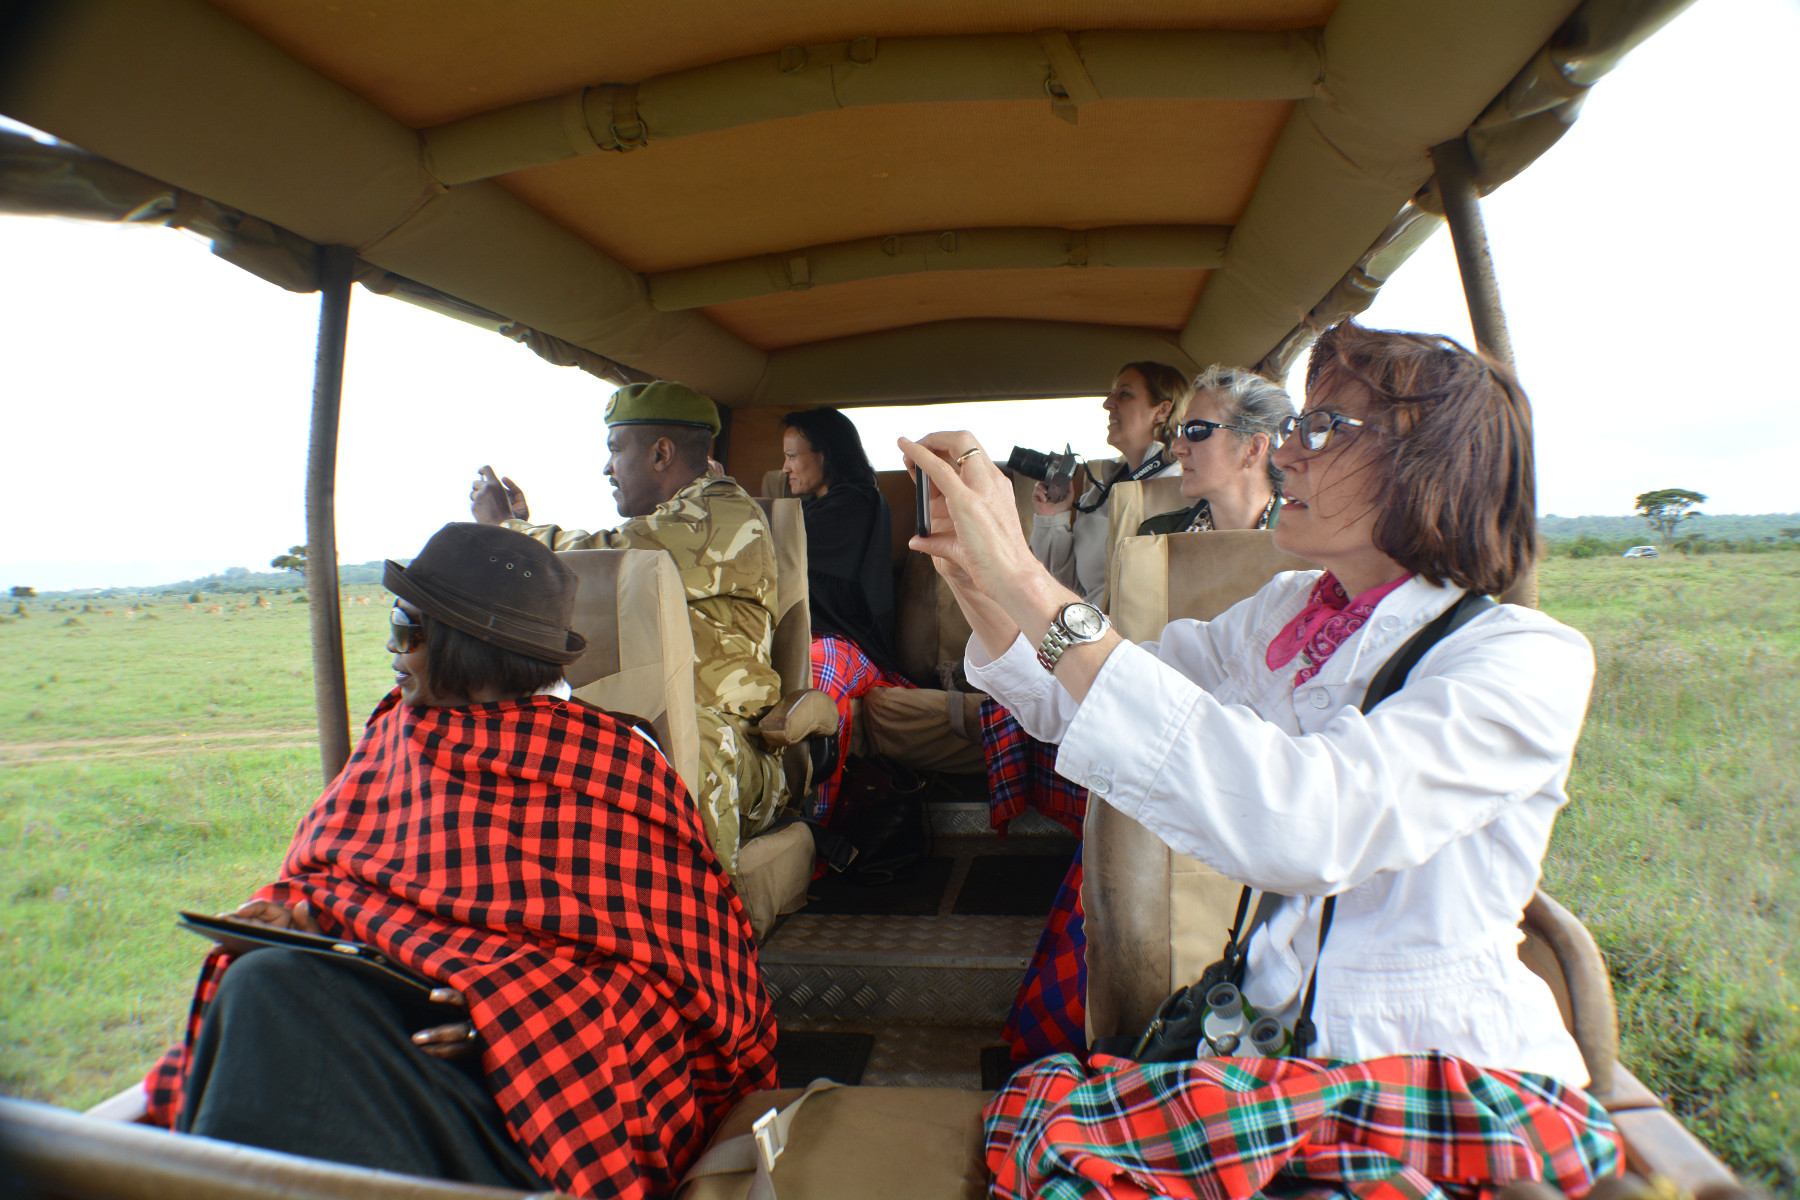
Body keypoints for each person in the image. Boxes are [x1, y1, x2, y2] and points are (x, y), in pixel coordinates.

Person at [901, 322, 1621, 1199]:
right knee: (1036, 1125)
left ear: (1430, 466)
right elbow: (1082, 695)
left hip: (1429, 1071)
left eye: (1324, 430)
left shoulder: (1521, 659)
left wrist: (1021, 563)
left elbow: (1307, 823)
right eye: (1295, 427)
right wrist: (977, 576)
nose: (1287, 454)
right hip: (1272, 1058)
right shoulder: (1289, 614)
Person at [143, 523, 777, 1200]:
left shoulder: (614, 764)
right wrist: (297, 913)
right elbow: (336, 875)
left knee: (268, 998)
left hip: (532, 1084)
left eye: (407, 629)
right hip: (393, 1014)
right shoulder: (395, 733)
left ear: (468, 649)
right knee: (265, 980)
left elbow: (690, 992)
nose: (394, 652)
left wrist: (513, 1016)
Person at [982, 365, 1294, 1063]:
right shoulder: (1155, 533)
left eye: (1198, 431)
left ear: (1255, 447)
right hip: (1156, 748)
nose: (1181, 444)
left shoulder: (1304, 552)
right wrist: (1003, 586)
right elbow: (1113, 658)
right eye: (1179, 431)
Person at [471, 380, 785, 876]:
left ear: (661, 453)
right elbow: (597, 563)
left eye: (615, 449)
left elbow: (607, 555)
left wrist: (505, 532)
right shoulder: (675, 520)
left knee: (684, 745)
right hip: (658, 730)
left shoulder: (720, 511)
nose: (606, 467)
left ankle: (706, 934)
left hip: (734, 748)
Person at [779, 407, 916, 824]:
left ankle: (816, 819)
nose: (784, 467)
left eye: (791, 455)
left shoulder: (857, 504)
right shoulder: (804, 511)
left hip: (852, 649)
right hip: (805, 641)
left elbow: (784, 539)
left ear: (826, 455)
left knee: (820, 668)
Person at [1028, 361, 1186, 607]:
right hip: (1086, 623)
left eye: (1124, 394)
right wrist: (1053, 518)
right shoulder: (1100, 493)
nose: (1107, 403)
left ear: (1162, 410)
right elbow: (1065, 587)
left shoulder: (1179, 487)